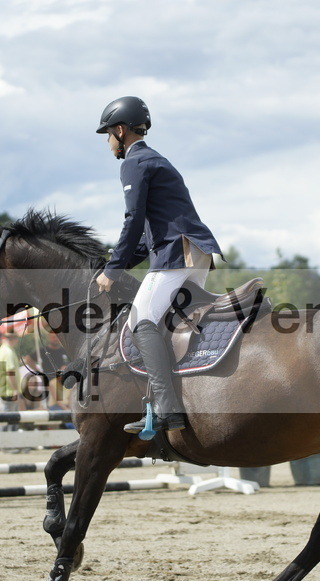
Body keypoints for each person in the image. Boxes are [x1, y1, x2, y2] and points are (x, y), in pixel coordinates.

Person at [93, 96, 223, 433]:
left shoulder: (134, 162)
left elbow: (133, 219)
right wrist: (117, 259)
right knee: (172, 323)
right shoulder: (156, 160)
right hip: (195, 252)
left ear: (120, 131)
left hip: (177, 253)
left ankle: (166, 409)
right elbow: (147, 233)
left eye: (108, 135)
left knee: (140, 321)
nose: (108, 143)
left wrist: (113, 270)